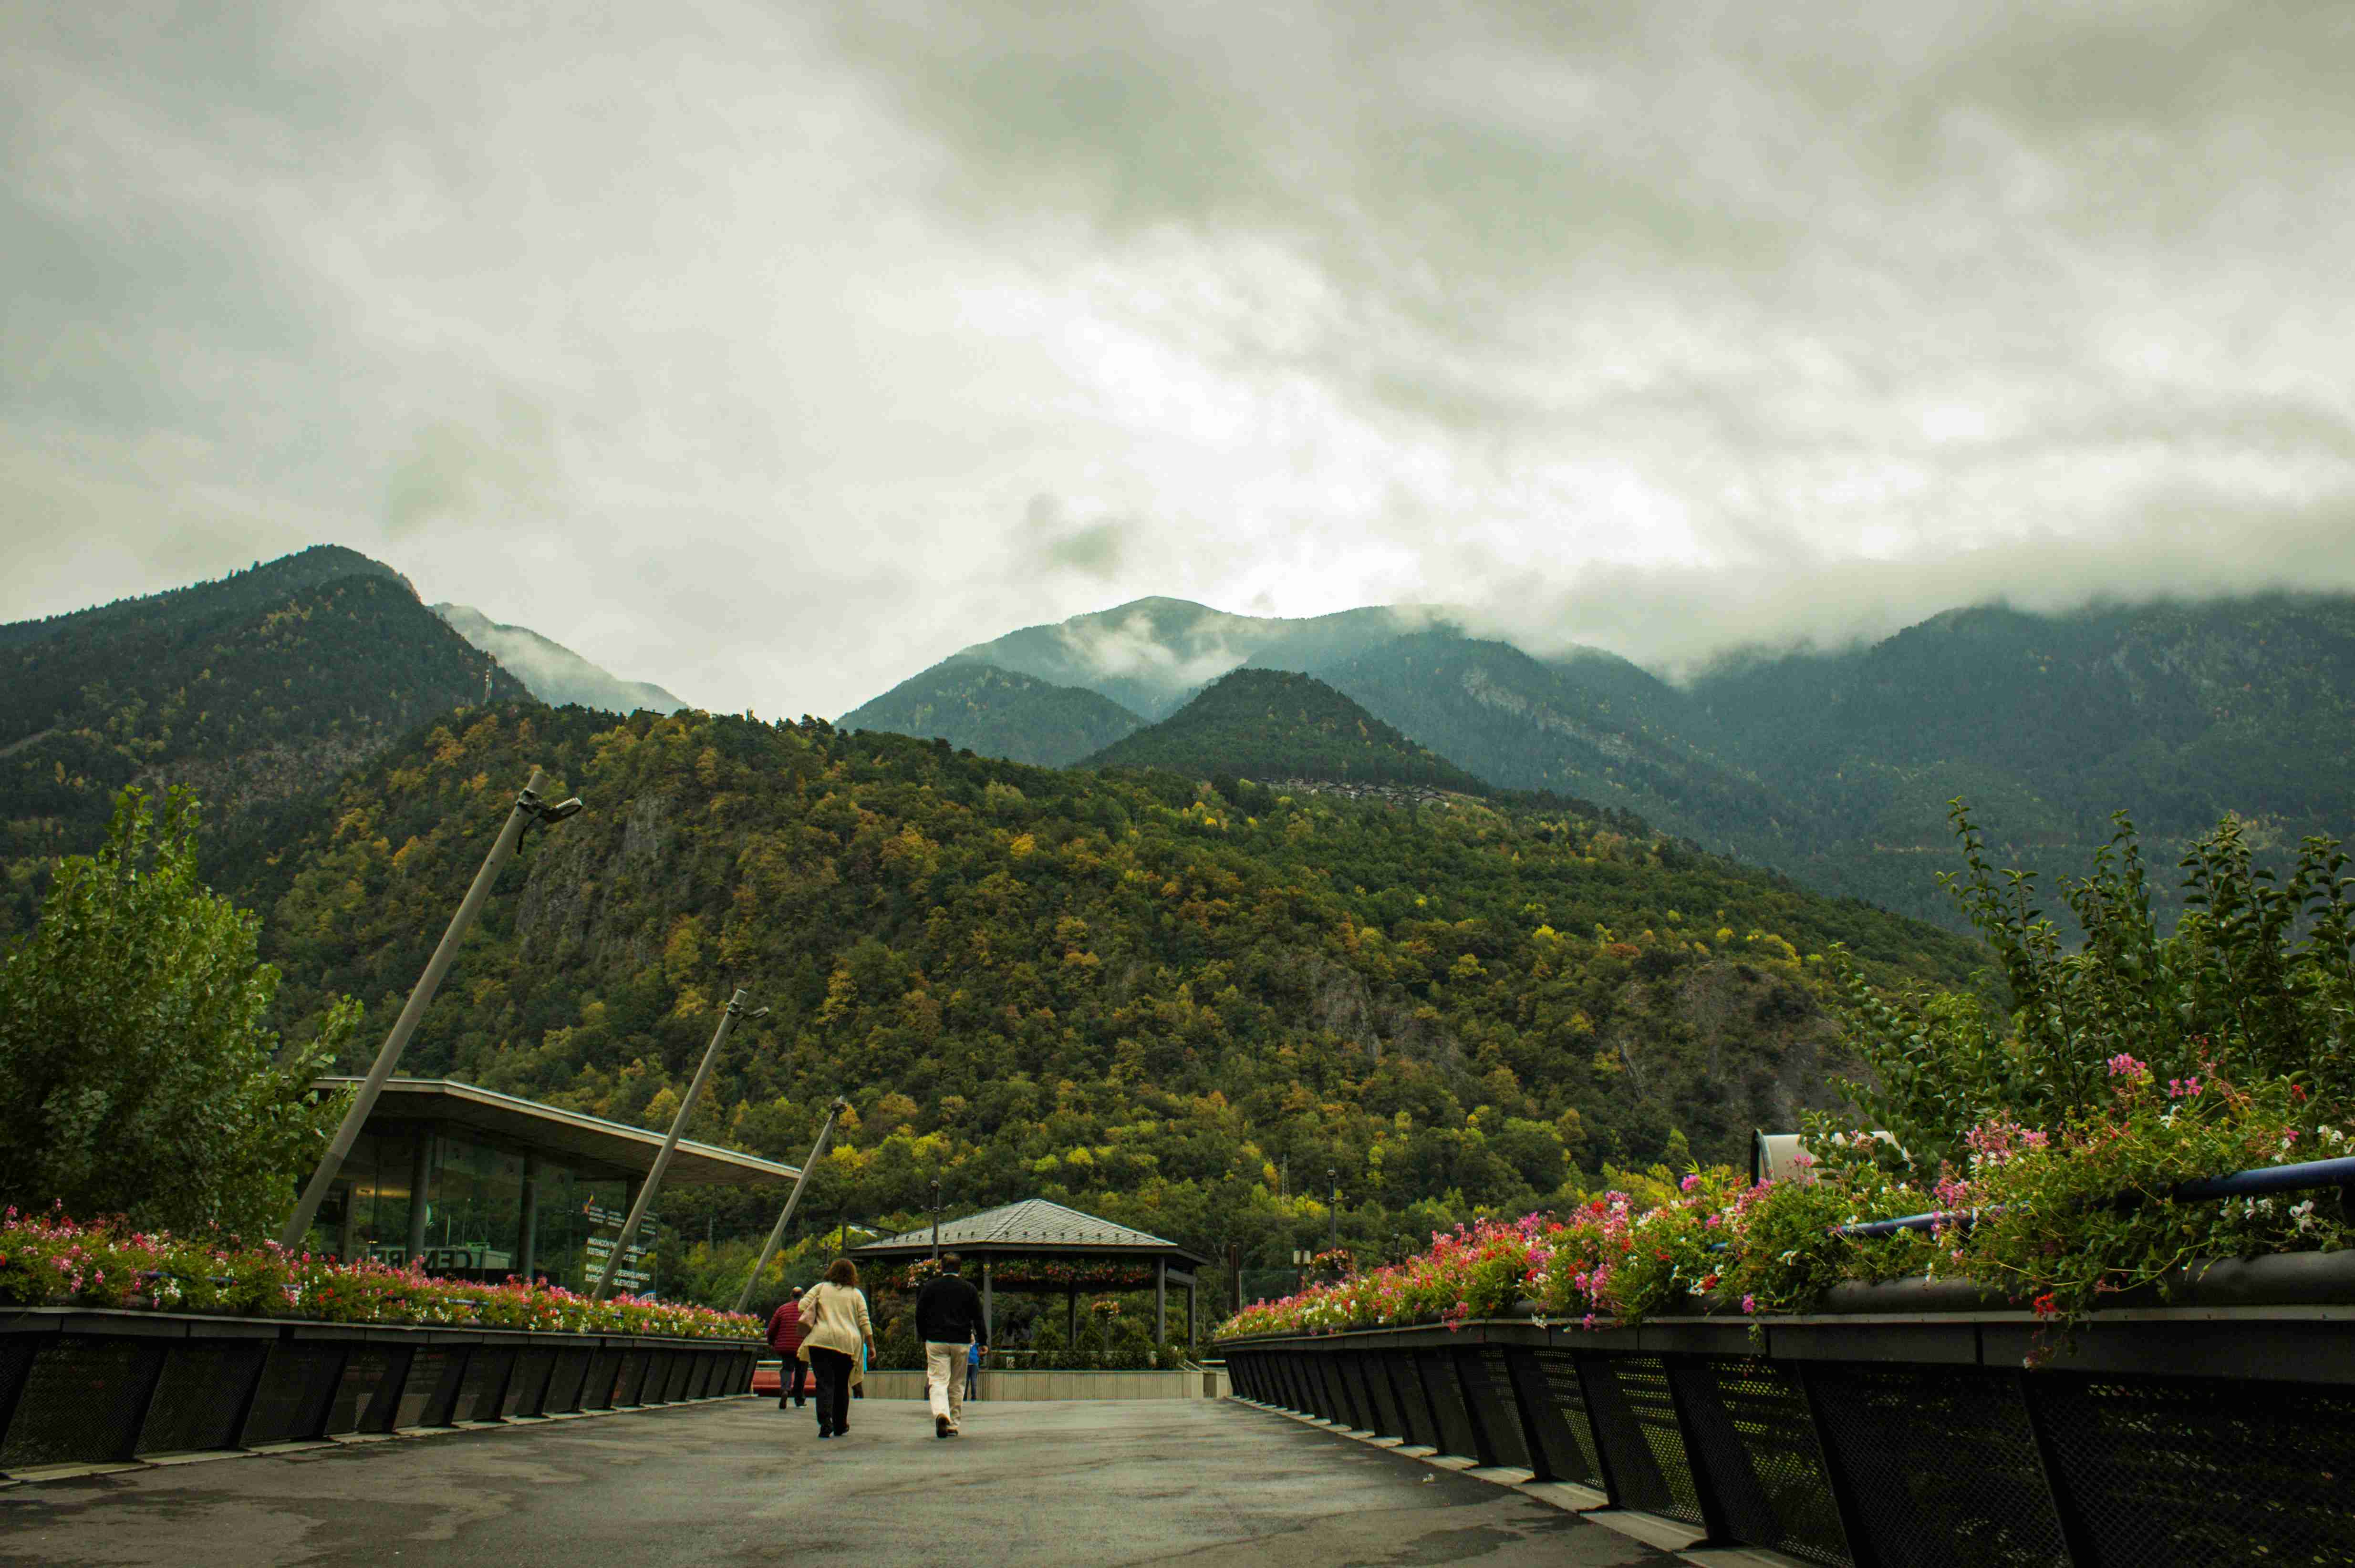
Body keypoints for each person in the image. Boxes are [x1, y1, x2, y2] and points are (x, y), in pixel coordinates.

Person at [799, 1259, 874, 1440]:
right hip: (847, 1343)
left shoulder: (820, 1288)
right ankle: (840, 1425)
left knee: (824, 1382)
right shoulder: (856, 1295)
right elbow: (864, 1320)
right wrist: (871, 1345)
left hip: (821, 1340)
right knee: (841, 1384)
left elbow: (802, 1306)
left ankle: (825, 1422)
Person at [914, 1253, 987, 1438]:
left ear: (941, 1267)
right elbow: (978, 1317)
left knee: (938, 1381)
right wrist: (983, 1341)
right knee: (957, 1383)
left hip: (936, 1340)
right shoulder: (969, 1289)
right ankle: (953, 1424)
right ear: (960, 1269)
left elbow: (920, 1314)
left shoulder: (930, 1287)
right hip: (961, 1340)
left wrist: (925, 1335)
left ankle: (941, 1414)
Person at [765, 1286, 809, 1409]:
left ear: (791, 1296)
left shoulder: (782, 1309)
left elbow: (772, 1328)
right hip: (803, 1346)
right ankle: (799, 1400)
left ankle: (785, 1389)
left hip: (786, 1347)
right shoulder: (808, 1309)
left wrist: (771, 1342)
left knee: (787, 1369)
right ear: (804, 1296)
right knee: (801, 1372)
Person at [965, 1337, 982, 1403]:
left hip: (974, 1365)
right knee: (966, 1383)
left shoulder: (977, 1345)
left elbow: (984, 1350)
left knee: (973, 1382)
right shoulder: (966, 1345)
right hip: (967, 1365)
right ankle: (964, 1399)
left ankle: (974, 1399)